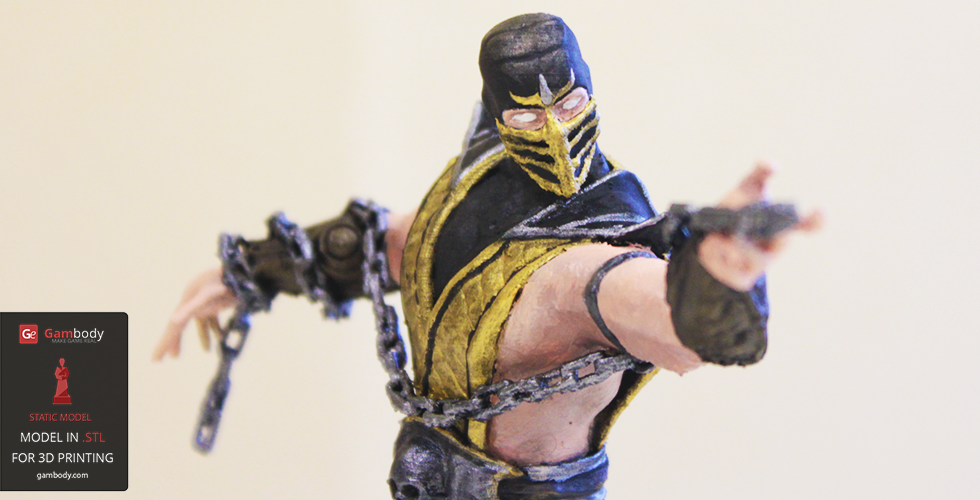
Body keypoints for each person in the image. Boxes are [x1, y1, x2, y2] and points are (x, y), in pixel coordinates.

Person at [154, 13, 819, 500]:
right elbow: (390, 244)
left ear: (591, 95)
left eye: (570, 104)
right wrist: (252, 269)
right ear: (498, 116)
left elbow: (663, 313)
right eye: (527, 117)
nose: (554, 130)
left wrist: (716, 280)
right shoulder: (473, 193)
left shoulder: (596, 255)